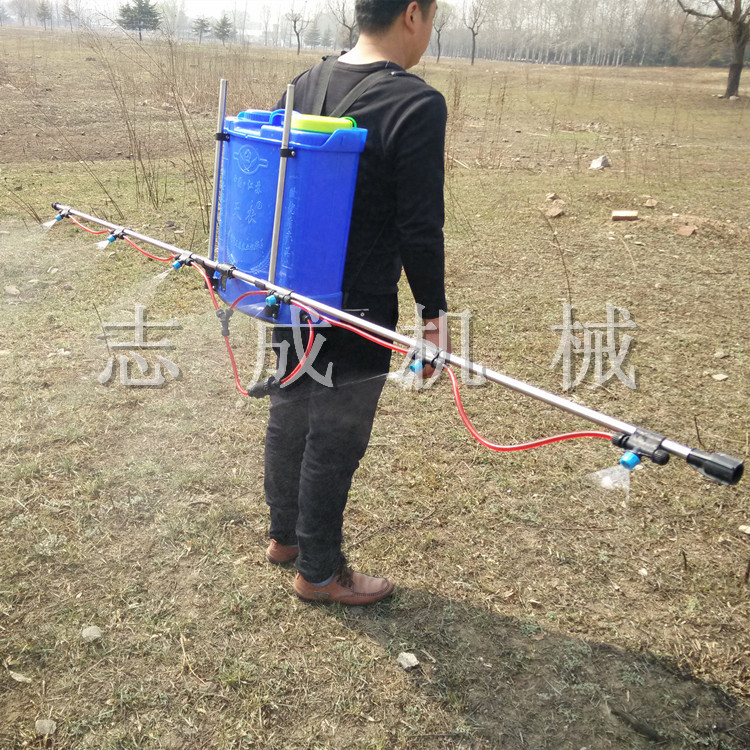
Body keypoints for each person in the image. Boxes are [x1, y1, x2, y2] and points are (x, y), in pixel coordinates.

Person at [264, 0, 449, 605]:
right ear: (413, 14)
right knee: (335, 436)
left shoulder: (305, 82)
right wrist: (434, 316)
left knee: (291, 407)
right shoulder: (415, 104)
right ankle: (319, 572)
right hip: (359, 306)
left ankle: (285, 537)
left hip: (293, 291)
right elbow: (419, 226)